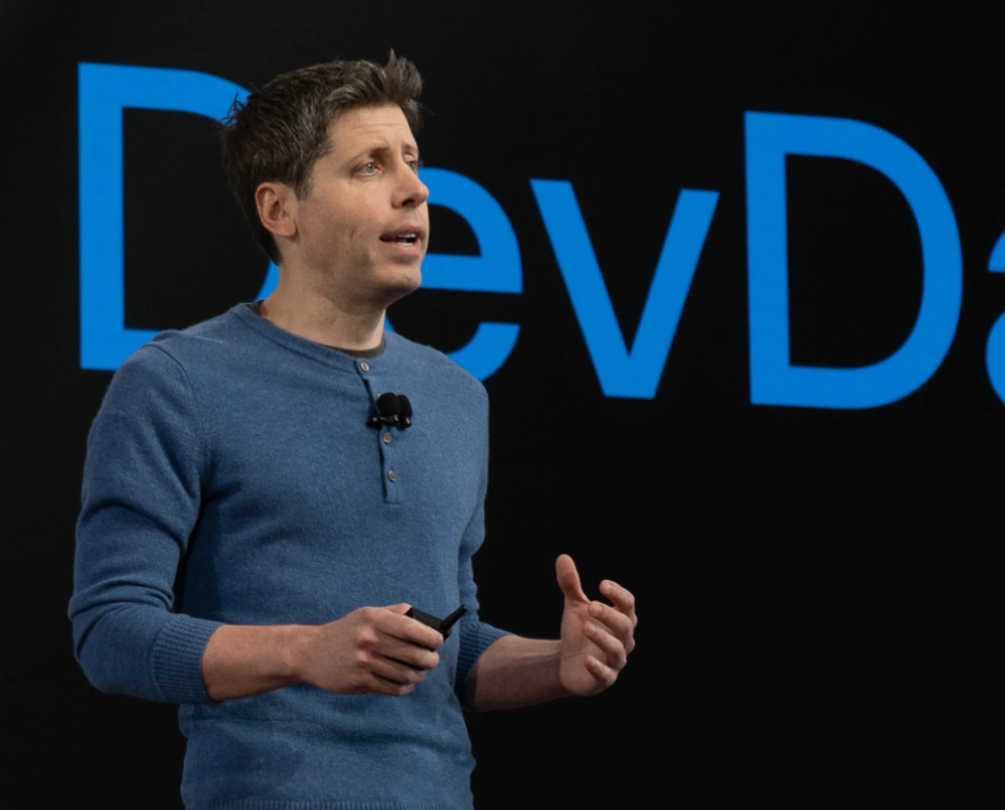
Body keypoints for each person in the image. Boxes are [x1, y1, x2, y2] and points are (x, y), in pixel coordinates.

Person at [70, 53, 638, 808]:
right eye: (370, 166)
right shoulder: (176, 382)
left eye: (411, 160)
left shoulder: (458, 397)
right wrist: (307, 650)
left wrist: (556, 663)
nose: (416, 189)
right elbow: (110, 631)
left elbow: (451, 649)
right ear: (281, 211)